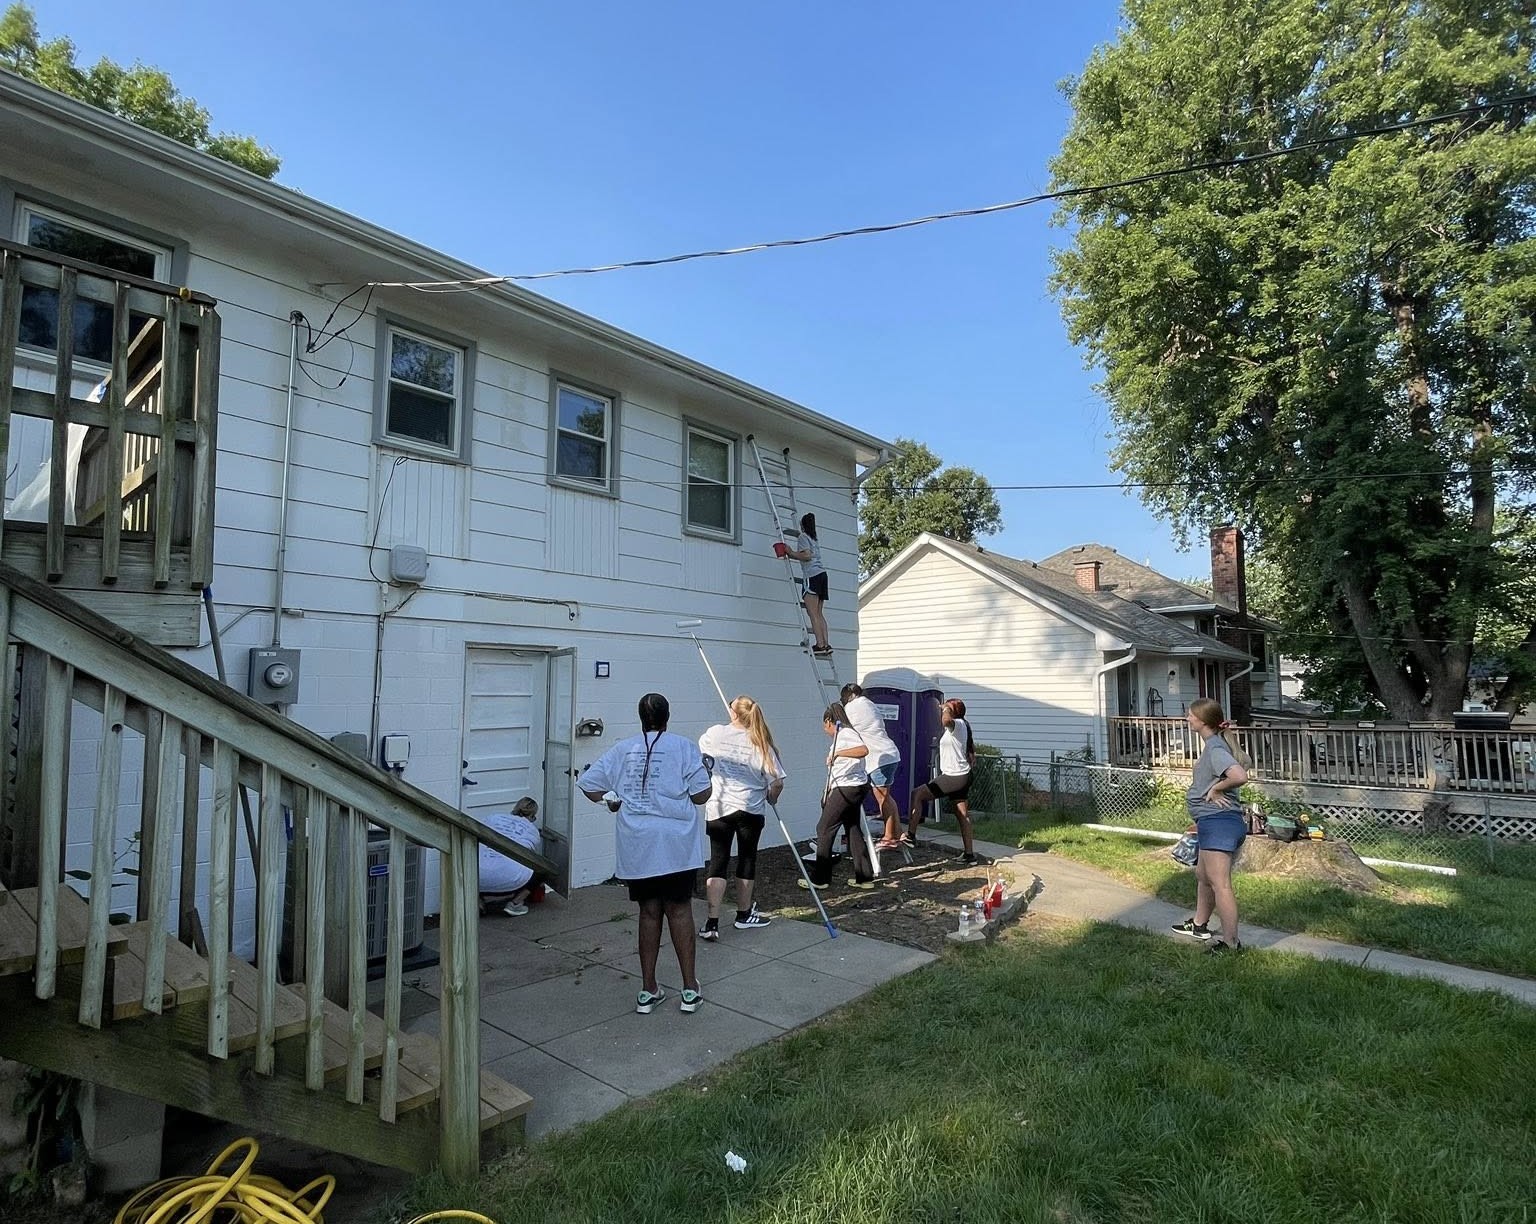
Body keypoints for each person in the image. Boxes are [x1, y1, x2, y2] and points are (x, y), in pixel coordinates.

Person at [580, 693, 713, 1013]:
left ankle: (648, 989)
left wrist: (610, 799)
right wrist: (707, 772)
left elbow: (588, 783)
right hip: (675, 845)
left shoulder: (623, 749)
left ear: (641, 718)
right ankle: (689, 989)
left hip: (637, 845)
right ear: (667, 717)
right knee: (679, 911)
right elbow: (700, 795)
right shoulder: (682, 746)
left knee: (649, 912)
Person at [697, 696, 787, 940]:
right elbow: (776, 782)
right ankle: (744, 914)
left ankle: (712, 922)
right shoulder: (761, 742)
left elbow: (704, 753)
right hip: (750, 808)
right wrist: (772, 798)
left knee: (718, 860)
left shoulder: (714, 734)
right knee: (747, 859)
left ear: (733, 712)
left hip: (719, 808)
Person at [1171, 697, 1249, 954]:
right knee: (1203, 876)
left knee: (1220, 884)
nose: (1187, 718)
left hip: (1220, 823)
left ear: (1202, 721)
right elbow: (1239, 765)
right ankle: (1199, 924)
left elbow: (1239, 776)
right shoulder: (1215, 744)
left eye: (1190, 715)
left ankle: (1231, 943)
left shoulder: (1215, 748)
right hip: (1211, 822)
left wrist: (1216, 787)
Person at [800, 701, 874, 891]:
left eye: (825, 726)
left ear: (829, 721)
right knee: (852, 829)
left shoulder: (845, 734)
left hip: (847, 788)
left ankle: (820, 878)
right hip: (856, 787)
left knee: (824, 828)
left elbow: (863, 750)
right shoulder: (845, 735)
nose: (825, 730)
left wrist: (837, 754)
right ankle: (864, 876)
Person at [906, 698, 978, 862]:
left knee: (918, 794)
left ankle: (910, 835)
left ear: (954, 711)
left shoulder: (957, 724)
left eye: (948, 707)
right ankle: (969, 854)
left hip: (954, 776)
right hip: (962, 775)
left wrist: (946, 709)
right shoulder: (962, 725)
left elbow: (946, 721)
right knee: (962, 814)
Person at [840, 683, 903, 849]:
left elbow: (843, 729)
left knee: (882, 798)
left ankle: (889, 837)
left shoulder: (853, 707)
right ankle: (898, 832)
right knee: (886, 797)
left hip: (879, 757)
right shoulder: (869, 703)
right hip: (888, 753)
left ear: (848, 696)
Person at [477, 796, 544, 916]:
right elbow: (530, 856)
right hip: (512, 883)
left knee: (480, 861)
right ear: (533, 816)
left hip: (477, 880)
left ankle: (478, 902)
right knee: (542, 868)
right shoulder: (532, 830)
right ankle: (515, 903)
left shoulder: (493, 818)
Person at [782, 512, 831, 657]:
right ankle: (826, 644)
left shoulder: (803, 537)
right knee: (819, 613)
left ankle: (820, 645)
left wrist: (790, 553)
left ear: (802, 525)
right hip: (822, 575)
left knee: (812, 613)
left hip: (812, 575)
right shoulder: (813, 538)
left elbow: (807, 555)